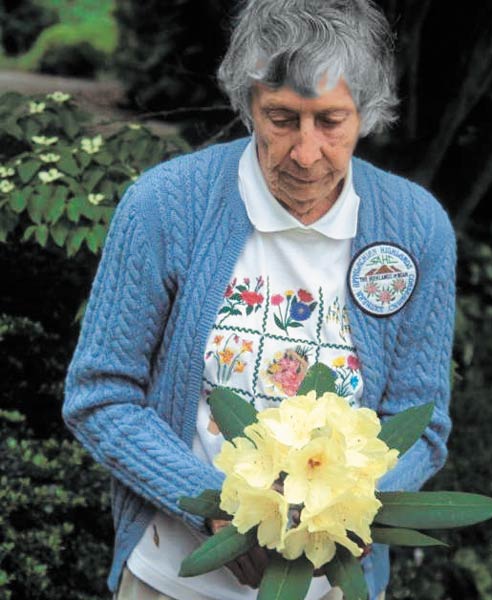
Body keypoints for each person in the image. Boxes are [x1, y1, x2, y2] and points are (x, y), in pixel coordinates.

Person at [63, 1, 456, 599]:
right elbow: (100, 396)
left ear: (367, 113)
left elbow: (420, 424)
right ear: (247, 104)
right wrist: (217, 509)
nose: (305, 153)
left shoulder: (415, 228)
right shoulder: (165, 206)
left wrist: (351, 514)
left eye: (331, 121)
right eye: (281, 118)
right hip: (175, 581)